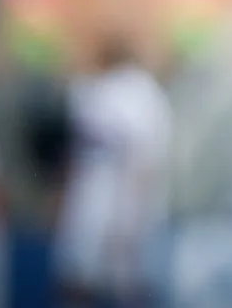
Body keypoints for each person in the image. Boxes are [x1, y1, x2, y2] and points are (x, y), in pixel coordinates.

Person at [54, 34, 173, 308]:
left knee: (124, 285)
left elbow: (146, 158)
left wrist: (134, 212)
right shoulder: (95, 92)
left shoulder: (139, 92)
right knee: (81, 280)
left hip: (123, 204)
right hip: (98, 204)